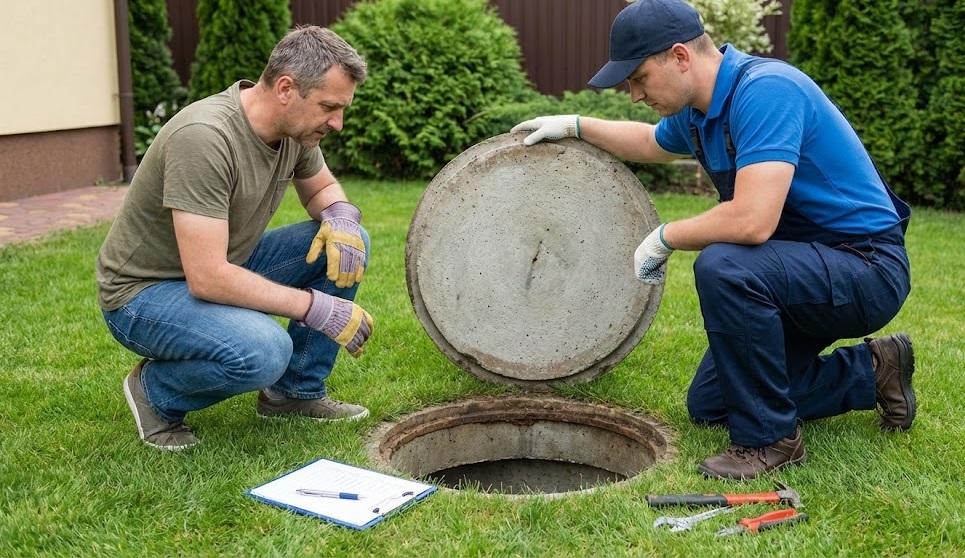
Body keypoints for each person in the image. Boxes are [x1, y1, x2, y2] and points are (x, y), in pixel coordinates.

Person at [512, 0, 916, 480]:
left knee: (725, 264)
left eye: (639, 78)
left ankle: (769, 441)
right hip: (801, 268)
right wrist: (575, 125)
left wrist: (665, 237)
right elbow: (649, 142)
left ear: (680, 57)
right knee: (712, 403)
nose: (635, 95)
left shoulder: (767, 92)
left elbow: (753, 222)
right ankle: (874, 370)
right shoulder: (701, 110)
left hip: (865, 267)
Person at [96, 26, 374, 452]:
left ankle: (293, 394)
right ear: (286, 88)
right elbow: (207, 278)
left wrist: (341, 218)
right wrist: (315, 308)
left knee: (351, 244)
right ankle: (155, 392)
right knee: (265, 350)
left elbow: (321, 189)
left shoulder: (294, 130)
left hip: (223, 264)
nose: (337, 123)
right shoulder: (205, 138)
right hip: (144, 294)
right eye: (329, 107)